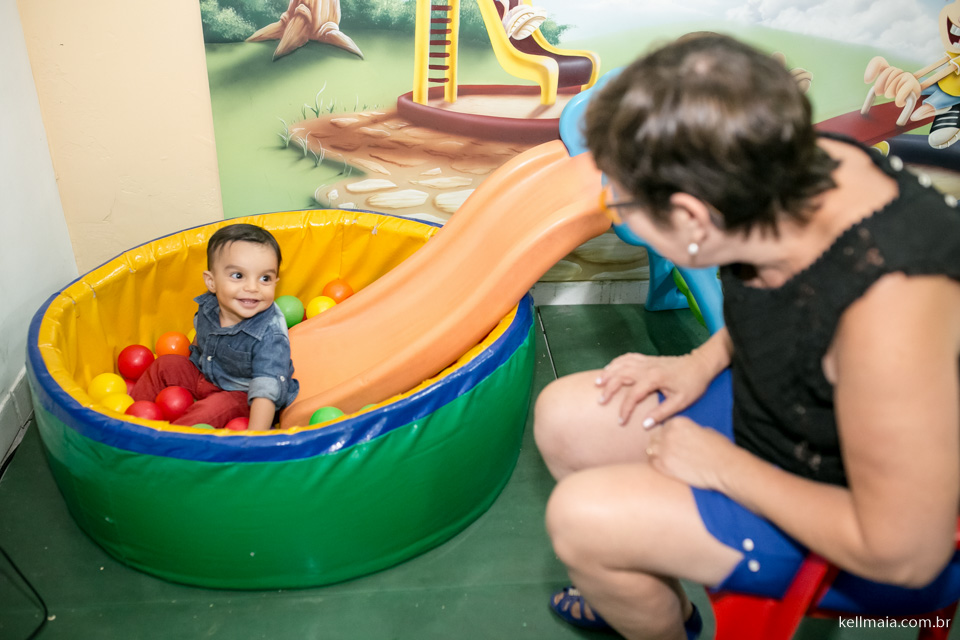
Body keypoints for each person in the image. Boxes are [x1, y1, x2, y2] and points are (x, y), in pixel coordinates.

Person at [534, 34, 960, 639]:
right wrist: (698, 363)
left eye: (622, 203)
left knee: (581, 520)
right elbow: (783, 294)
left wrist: (727, 470)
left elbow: (906, 555)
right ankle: (643, 599)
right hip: (793, 415)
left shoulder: (890, 318)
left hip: (860, 527)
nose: (616, 213)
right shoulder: (775, 170)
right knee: (563, 415)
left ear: (692, 219)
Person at [132, 223, 299, 430]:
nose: (252, 287)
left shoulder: (269, 334)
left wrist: (256, 437)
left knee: (211, 409)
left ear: (276, 282)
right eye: (238, 276)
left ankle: (167, 444)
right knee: (164, 365)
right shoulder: (208, 306)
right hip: (205, 374)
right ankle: (131, 419)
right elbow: (200, 342)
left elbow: (266, 389)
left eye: (265, 278)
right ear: (211, 282)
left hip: (244, 395)